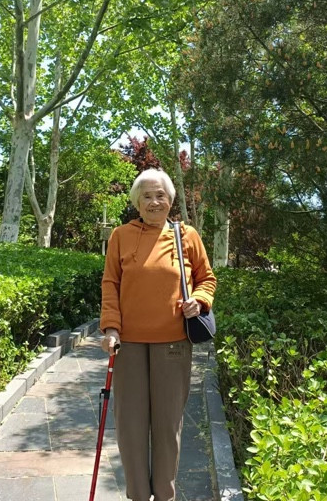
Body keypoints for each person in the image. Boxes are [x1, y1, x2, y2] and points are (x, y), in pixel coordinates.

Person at [100, 168, 216, 501]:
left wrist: (199, 301)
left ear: (170, 200)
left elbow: (206, 279)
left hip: (173, 344)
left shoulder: (186, 235)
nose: (154, 202)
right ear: (137, 202)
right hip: (128, 344)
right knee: (131, 425)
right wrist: (111, 328)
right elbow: (111, 284)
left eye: (160, 195)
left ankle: (165, 494)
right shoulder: (121, 235)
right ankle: (138, 495)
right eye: (147, 196)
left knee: (167, 426)